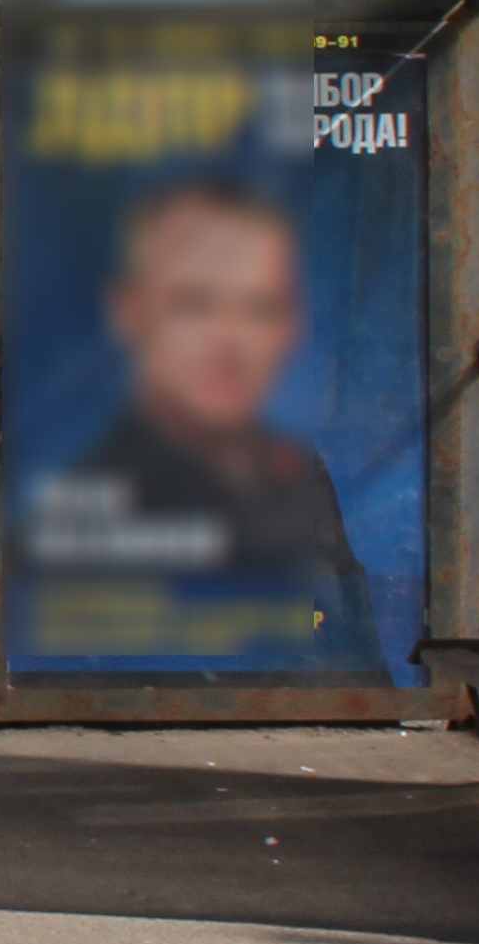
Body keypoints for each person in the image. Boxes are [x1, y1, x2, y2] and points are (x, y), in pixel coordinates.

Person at [29, 172, 380, 669]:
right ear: (129, 312)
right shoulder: (85, 491)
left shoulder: (297, 473)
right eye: (195, 303)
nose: (230, 341)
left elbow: (352, 654)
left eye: (259, 307)